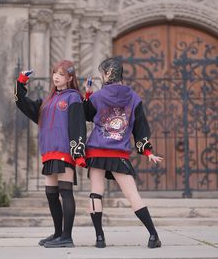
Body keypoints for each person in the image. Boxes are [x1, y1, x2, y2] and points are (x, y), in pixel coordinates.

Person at [83, 57, 163, 249]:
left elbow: (86, 115)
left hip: (96, 151)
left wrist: (87, 94)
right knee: (133, 195)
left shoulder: (98, 97)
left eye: (102, 72)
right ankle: (153, 236)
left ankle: (100, 238)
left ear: (107, 74)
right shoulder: (134, 98)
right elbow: (140, 127)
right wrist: (147, 151)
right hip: (118, 153)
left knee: (96, 193)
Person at [14, 60, 86, 248]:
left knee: (66, 192)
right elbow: (23, 104)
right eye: (55, 73)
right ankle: (57, 233)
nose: (56, 77)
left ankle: (67, 237)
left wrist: (78, 152)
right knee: (51, 194)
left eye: (61, 74)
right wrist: (21, 82)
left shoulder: (74, 98)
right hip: (49, 152)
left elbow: (78, 125)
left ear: (70, 78)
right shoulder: (47, 101)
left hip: (65, 151)